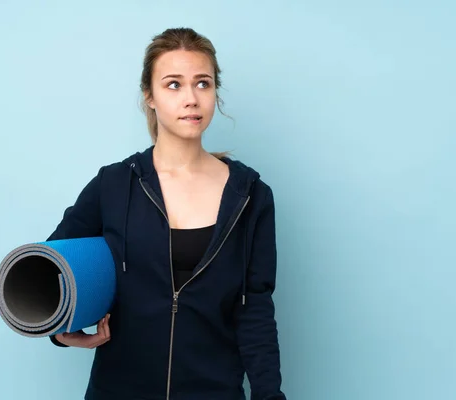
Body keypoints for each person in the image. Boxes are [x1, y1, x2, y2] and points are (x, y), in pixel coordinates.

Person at [46, 27, 287, 400]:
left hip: (215, 392)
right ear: (150, 96)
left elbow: (255, 308)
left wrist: (269, 396)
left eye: (202, 84)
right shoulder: (113, 185)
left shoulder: (250, 195)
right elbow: (51, 269)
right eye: (174, 84)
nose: (191, 98)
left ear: (214, 93)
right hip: (118, 390)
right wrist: (64, 330)